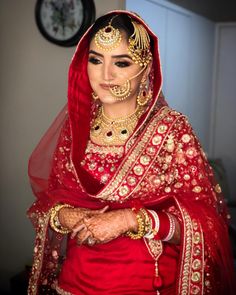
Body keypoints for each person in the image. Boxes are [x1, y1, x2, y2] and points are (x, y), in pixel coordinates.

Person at [27, 10, 234, 295]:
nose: (105, 75)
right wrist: (67, 216)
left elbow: (207, 224)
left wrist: (130, 219)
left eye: (121, 62)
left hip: (145, 284)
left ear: (147, 68)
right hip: (76, 282)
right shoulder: (77, 128)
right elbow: (49, 205)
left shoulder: (171, 130)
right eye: (96, 59)